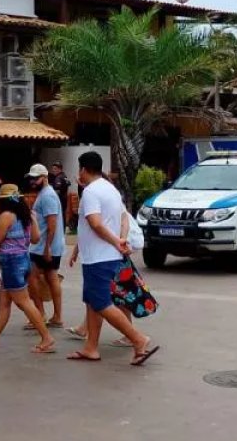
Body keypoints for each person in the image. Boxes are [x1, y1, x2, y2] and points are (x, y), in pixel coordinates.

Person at [66, 151, 159, 366]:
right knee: (92, 302)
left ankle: (138, 339)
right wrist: (119, 240)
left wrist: (116, 241)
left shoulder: (90, 192)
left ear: (83, 169)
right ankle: (91, 348)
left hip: (99, 257)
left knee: (101, 303)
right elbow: (120, 219)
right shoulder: (111, 190)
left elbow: (96, 224)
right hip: (106, 255)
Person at [0, 184, 56, 353]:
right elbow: (35, 239)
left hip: (11, 263)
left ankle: (46, 337)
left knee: (23, 302)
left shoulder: (7, 216)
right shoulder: (27, 216)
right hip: (23, 260)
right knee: (4, 302)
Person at [26, 164, 66, 328]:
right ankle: (55, 316)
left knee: (31, 277)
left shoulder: (47, 196)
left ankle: (40, 314)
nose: (33, 181)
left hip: (44, 246)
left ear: (45, 177)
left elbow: (52, 224)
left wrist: (47, 247)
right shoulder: (46, 194)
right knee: (51, 277)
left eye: (36, 178)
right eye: (31, 178)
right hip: (47, 245)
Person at [48, 162, 72, 231]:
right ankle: (62, 230)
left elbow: (57, 189)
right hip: (64, 199)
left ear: (60, 169)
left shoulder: (58, 177)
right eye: (52, 169)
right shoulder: (64, 176)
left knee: (59, 216)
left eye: (55, 169)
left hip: (60, 200)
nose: (53, 170)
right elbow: (68, 184)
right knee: (62, 215)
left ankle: (60, 230)